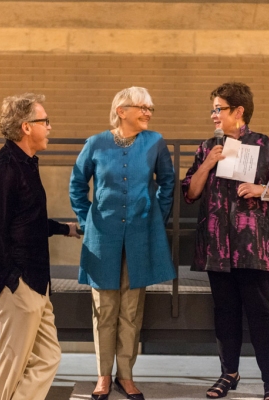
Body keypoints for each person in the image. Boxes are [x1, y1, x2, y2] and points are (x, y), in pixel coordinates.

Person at [181, 82, 269, 400]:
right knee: (225, 311)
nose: (213, 115)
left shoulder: (267, 145)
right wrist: (207, 163)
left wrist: (262, 190)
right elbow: (191, 192)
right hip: (216, 245)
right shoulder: (207, 147)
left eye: (218, 108)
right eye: (213, 109)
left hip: (254, 247)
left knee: (262, 313)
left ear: (238, 111)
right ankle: (228, 373)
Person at [69, 86, 176, 400]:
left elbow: (167, 182)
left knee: (132, 309)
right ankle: (103, 376)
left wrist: (157, 215)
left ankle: (125, 376)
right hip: (103, 237)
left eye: (150, 109)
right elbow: (77, 184)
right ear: (121, 110)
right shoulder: (95, 143)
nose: (148, 113)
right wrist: (87, 220)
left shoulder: (155, 142)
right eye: (142, 108)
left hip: (141, 236)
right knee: (104, 309)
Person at [0, 93, 80, 400]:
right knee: (14, 364)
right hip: (20, 283)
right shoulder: (5, 168)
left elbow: (29, 220)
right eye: (44, 121)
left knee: (49, 357)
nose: (49, 126)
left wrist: (66, 229)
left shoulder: (26, 164)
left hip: (37, 281)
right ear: (26, 127)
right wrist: (11, 281)